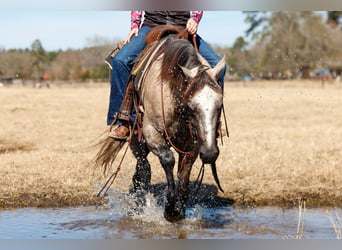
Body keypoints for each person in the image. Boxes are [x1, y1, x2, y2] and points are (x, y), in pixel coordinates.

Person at [106, 11, 226, 140]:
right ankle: (123, 120)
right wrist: (135, 25)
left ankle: (214, 121)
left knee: (218, 65)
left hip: (182, 26)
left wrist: (194, 20)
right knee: (120, 61)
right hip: (151, 25)